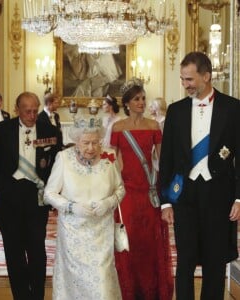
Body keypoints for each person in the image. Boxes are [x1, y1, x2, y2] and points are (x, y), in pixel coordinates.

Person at [159, 51, 240, 300]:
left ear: (206, 76)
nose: (185, 85)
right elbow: (167, 158)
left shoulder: (233, 108)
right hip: (185, 194)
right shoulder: (176, 110)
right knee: (185, 261)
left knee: (215, 262)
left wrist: (239, 198)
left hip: (220, 195)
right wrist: (165, 201)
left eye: (190, 79)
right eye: (183, 79)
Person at [0, 91, 62, 300]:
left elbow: (57, 164)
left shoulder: (51, 131)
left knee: (37, 252)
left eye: (35, 110)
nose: (32, 115)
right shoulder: (1, 130)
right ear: (17, 110)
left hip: (36, 198)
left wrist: (50, 188)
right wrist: (2, 185)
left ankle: (36, 296)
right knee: (14, 252)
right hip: (9, 198)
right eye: (27, 111)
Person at [44, 116, 126, 300]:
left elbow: (120, 189)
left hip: (101, 231)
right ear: (76, 141)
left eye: (95, 143)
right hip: (73, 232)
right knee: (74, 282)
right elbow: (49, 193)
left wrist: (108, 203)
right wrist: (71, 207)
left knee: (102, 279)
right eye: (86, 142)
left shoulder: (109, 156)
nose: (91, 148)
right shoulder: (63, 158)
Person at [110, 78, 173, 300]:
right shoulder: (118, 128)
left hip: (149, 192)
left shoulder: (153, 126)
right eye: (137, 99)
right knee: (130, 242)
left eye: (143, 98)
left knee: (149, 242)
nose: (142, 102)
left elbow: (162, 160)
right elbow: (113, 162)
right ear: (127, 103)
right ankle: (129, 289)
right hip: (126, 193)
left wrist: (164, 189)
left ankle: (152, 291)